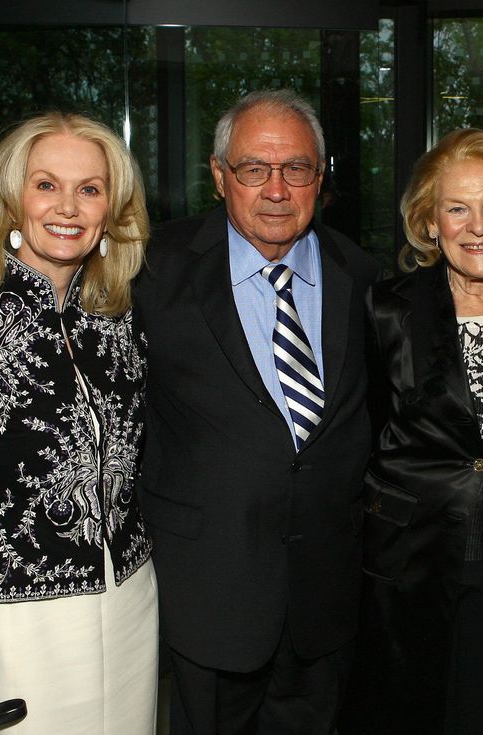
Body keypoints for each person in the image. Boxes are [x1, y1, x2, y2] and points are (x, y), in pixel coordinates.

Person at [134, 90, 379, 734]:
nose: (275, 189)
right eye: (253, 169)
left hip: (324, 597)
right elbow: (65, 351)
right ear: (220, 177)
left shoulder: (363, 277)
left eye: (296, 168)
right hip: (208, 592)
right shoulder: (150, 270)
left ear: (320, 179)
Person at [0, 113, 156, 734]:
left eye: (89, 189)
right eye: (46, 185)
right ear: (12, 200)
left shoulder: (124, 321)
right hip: (18, 620)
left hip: (130, 600)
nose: (67, 206)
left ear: (111, 211)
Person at [342, 128, 483, 734]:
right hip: (409, 560)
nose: (478, 226)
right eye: (457, 209)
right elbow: (363, 431)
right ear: (429, 222)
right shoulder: (386, 309)